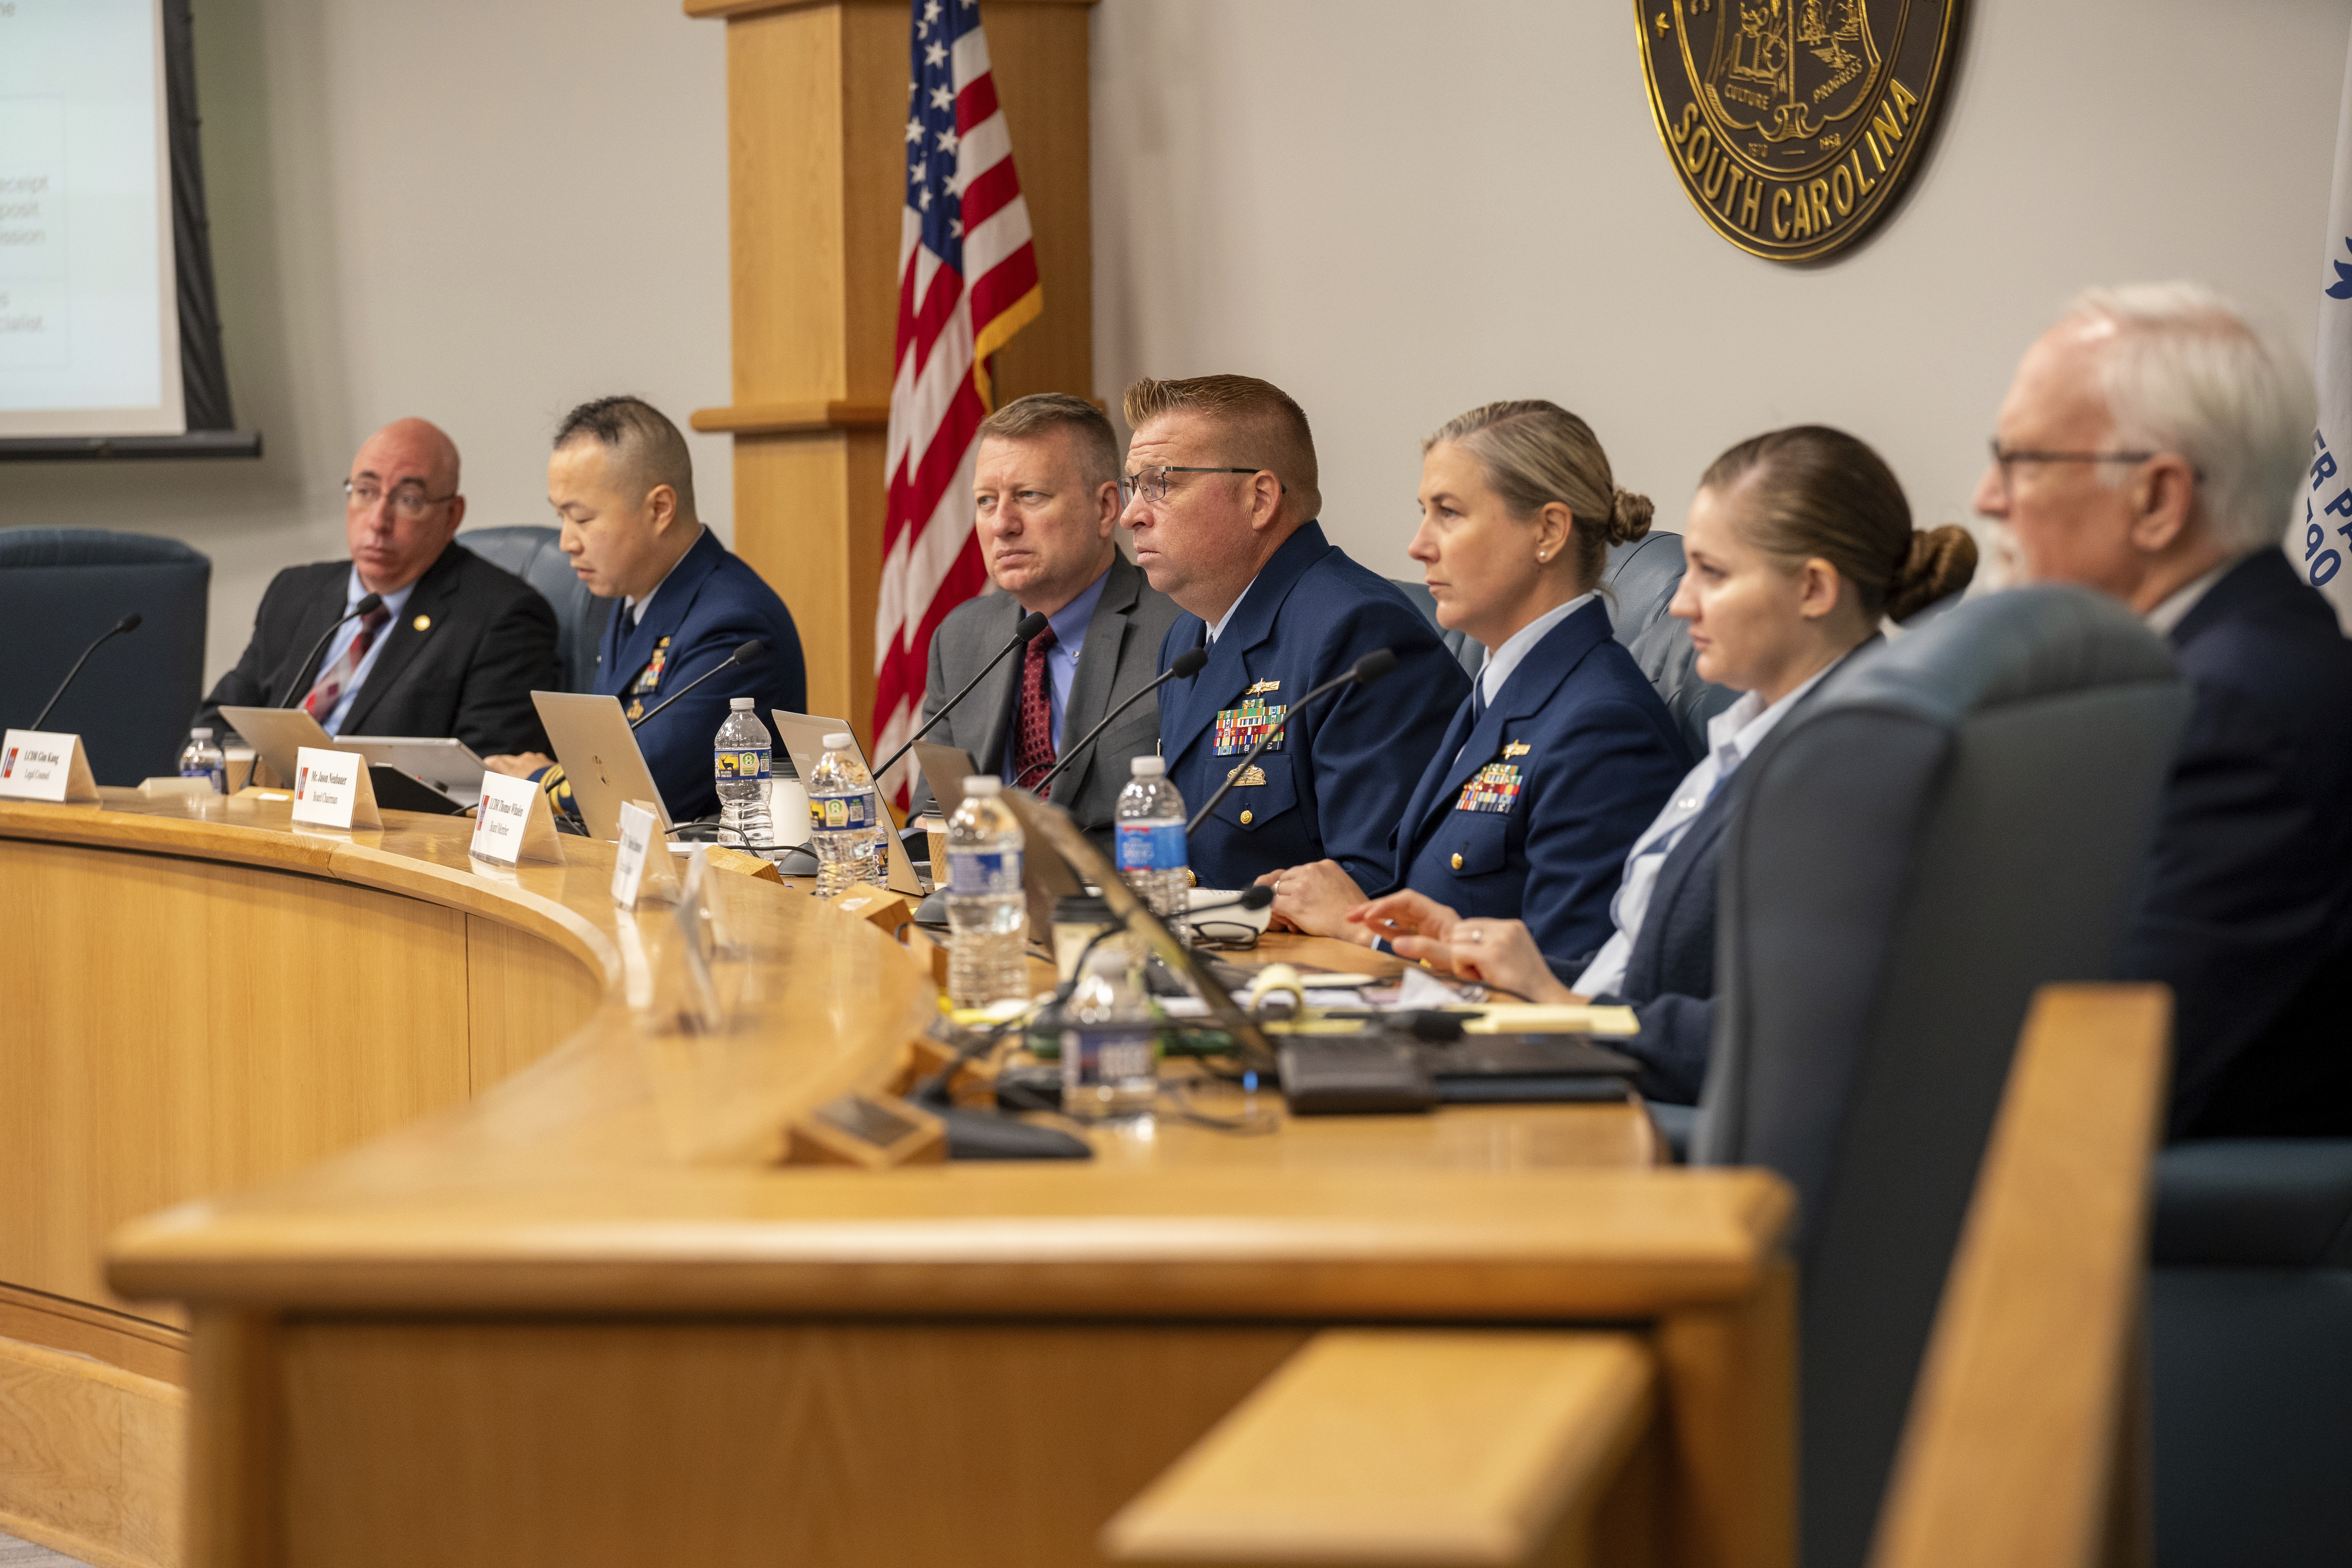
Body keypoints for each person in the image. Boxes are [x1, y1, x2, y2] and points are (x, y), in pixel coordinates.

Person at [1354, 426, 1975, 1106]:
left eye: (1713, 573)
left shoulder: (1843, 767)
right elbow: (1643, 971)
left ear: (1814, 589)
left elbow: (1779, 1036)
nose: (1679, 604)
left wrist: (1562, 1009)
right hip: (1595, 1062)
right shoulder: (1754, 741)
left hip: (1644, 1120)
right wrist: (1499, 960)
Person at [1974, 282, 2352, 1139]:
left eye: (2020, 461)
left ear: (2157, 501)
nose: (1988, 497)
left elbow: (2097, 1076)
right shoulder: (2227, 666)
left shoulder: (2231, 712)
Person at [1256, 401, 1687, 959]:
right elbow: (1439, 899)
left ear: (1548, 531)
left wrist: (1356, 926)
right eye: (1423, 512)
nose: (1418, 546)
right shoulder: (1498, 690)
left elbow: (1559, 991)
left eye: (1449, 513)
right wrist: (1320, 907)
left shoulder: (1601, 725)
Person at [1123, 374, 1470, 890]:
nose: (1132, 515)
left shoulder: (1359, 632)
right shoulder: (1188, 639)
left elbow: (1380, 882)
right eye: (1134, 487)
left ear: (1260, 499)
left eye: (1161, 485)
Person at [484, 397, 806, 825]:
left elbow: (648, 790)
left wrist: (539, 778)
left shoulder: (733, 625)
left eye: (581, 518)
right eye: (561, 516)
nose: (566, 542)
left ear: (659, 509)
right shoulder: (634, 596)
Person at [905, 394, 1182, 855]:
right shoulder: (960, 638)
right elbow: (932, 816)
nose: (1002, 525)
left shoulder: (1180, 632)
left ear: (1106, 509)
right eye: (986, 502)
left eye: (1029, 496)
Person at [198, 418, 558, 758]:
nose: (378, 522)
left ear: (452, 516)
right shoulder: (294, 591)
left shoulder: (504, 617)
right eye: (366, 492)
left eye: (408, 501)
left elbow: (486, 773)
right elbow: (217, 725)